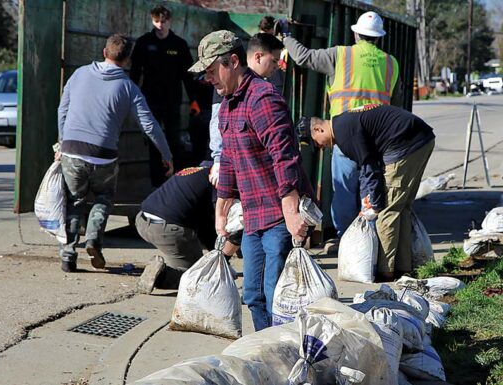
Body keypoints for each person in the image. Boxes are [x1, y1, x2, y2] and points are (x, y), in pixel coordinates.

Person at [190, 30, 314, 331]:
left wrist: (291, 211)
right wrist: (222, 207)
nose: (210, 79)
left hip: (277, 214)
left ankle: (286, 353)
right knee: (254, 295)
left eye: (212, 71)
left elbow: (285, 157)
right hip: (253, 215)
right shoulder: (228, 107)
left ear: (233, 61)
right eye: (205, 73)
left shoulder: (263, 99)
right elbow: (229, 159)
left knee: (275, 294)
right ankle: (266, 352)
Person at [56, 34, 173, 273]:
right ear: (128, 60)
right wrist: (166, 154)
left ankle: (68, 255)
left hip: (73, 150)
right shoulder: (128, 87)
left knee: (74, 202)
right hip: (104, 154)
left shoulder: (78, 74)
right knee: (103, 198)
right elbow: (149, 124)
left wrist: (62, 143)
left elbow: (62, 110)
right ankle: (93, 240)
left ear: (104, 51)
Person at [280, 11, 403, 239]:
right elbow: (397, 106)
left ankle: (346, 239)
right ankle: (371, 239)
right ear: (379, 37)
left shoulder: (341, 55)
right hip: (377, 141)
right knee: (372, 190)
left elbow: (303, 57)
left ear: (356, 34)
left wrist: (286, 35)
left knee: (345, 191)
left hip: (344, 138)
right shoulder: (391, 64)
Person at [310, 104, 435, 281]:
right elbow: (367, 166)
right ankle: (403, 268)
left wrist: (374, 202)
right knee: (400, 209)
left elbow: (371, 167)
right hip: (420, 140)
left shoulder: (344, 134)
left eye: (316, 142)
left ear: (318, 128)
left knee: (387, 212)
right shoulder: (344, 124)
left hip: (405, 146)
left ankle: (386, 272)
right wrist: (367, 199)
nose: (320, 147)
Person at [135, 161, 242, 294]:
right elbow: (213, 227)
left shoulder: (201, 170)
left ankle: (172, 263)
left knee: (199, 262)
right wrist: (220, 264)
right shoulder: (220, 181)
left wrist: (219, 259)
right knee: (200, 277)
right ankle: (161, 277)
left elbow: (205, 225)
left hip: (142, 220)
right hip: (167, 230)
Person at [130, 4, 199, 186]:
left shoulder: (179, 45)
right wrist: (129, 98)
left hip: (172, 101)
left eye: (163, 21)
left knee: (173, 140)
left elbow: (188, 76)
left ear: (170, 21)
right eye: (156, 21)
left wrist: (194, 100)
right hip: (149, 101)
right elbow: (135, 73)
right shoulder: (144, 43)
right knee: (153, 140)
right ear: (152, 21)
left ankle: (174, 179)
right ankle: (156, 181)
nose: (160, 25)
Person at [207, 33, 286, 186]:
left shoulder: (262, 89)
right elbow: (218, 124)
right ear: (258, 57)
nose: (276, 67)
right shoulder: (226, 85)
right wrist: (218, 161)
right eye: (274, 61)